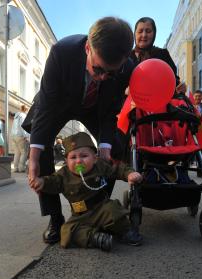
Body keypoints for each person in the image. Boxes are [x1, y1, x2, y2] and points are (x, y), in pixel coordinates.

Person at [23, 17, 135, 244]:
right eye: (98, 69)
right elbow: (45, 107)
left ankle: (99, 207)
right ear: (87, 48)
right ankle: (55, 218)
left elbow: (111, 110)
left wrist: (105, 145)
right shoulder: (61, 53)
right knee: (41, 147)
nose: (103, 77)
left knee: (117, 145)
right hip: (58, 103)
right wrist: (33, 157)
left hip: (96, 109)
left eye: (110, 73)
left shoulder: (126, 66)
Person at [30, 132, 142, 251]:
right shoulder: (63, 175)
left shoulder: (99, 166)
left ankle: (126, 232)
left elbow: (117, 168)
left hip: (101, 208)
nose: (78, 161)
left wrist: (129, 173)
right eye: (73, 157)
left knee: (114, 211)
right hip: (80, 215)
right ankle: (95, 238)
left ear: (94, 158)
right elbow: (52, 182)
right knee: (66, 231)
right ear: (66, 162)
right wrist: (41, 182)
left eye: (84, 156)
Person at [130, 17, 186, 94]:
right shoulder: (126, 57)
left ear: (154, 34)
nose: (144, 35)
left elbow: (173, 79)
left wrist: (179, 86)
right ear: (135, 34)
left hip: (159, 103)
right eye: (140, 31)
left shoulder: (162, 54)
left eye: (148, 31)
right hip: (130, 103)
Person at [10, 105, 29, 172]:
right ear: (26, 110)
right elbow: (23, 126)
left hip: (13, 136)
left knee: (17, 153)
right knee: (24, 152)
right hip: (21, 136)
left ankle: (15, 168)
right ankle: (21, 168)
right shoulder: (23, 116)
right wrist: (26, 136)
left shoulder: (16, 116)